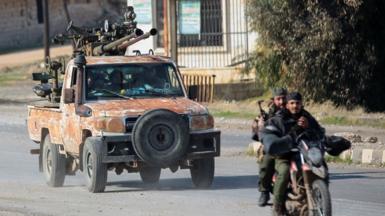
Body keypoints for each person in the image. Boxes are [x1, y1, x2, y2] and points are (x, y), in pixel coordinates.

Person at [259, 92, 323, 216]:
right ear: (287, 105)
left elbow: (319, 132)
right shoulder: (279, 118)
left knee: (319, 164)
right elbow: (267, 131)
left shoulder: (307, 117)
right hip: (283, 154)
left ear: (302, 104)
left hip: (302, 152)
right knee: (284, 171)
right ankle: (277, 206)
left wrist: (309, 127)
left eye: (297, 103)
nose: (295, 106)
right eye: (292, 103)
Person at [252, 88, 287, 207]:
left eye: (284, 98)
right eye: (279, 99)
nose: (282, 101)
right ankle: (264, 191)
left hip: (291, 143)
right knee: (266, 162)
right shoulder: (267, 113)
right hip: (274, 145)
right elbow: (256, 130)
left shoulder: (292, 108)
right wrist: (259, 126)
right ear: (274, 100)